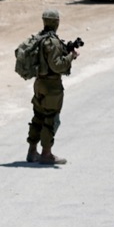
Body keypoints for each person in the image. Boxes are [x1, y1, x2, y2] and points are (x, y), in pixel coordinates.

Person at [26, 9, 78, 165]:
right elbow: (57, 65)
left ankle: (32, 151)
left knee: (38, 116)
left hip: (39, 84)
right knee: (50, 118)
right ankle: (46, 154)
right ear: (56, 23)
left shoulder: (39, 38)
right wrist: (71, 56)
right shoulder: (52, 42)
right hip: (51, 86)